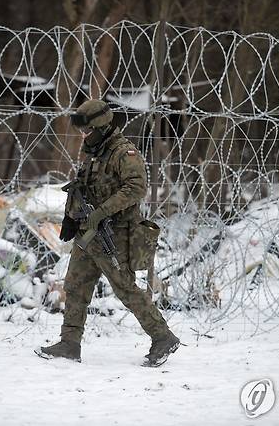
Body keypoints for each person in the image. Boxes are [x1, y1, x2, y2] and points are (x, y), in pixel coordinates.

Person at [35, 99, 180, 367]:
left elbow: (136, 188)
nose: (82, 134)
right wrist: (70, 217)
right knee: (76, 286)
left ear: (101, 126)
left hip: (114, 234)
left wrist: (101, 212)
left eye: (87, 129)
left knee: (125, 289)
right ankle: (69, 344)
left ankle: (163, 337)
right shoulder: (96, 151)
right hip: (89, 233)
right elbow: (84, 186)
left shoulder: (124, 153)